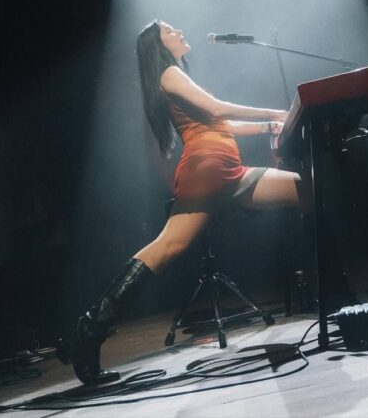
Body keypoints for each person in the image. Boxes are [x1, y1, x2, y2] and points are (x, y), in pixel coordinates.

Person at [58, 19, 311, 385]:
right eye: (170, 31)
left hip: (225, 168)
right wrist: (275, 113)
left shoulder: (175, 75)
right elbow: (218, 109)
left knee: (169, 246)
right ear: (158, 45)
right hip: (208, 170)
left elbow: (219, 123)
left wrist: (268, 126)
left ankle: (89, 328)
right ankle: (88, 328)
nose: (179, 33)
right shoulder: (169, 74)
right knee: (168, 245)